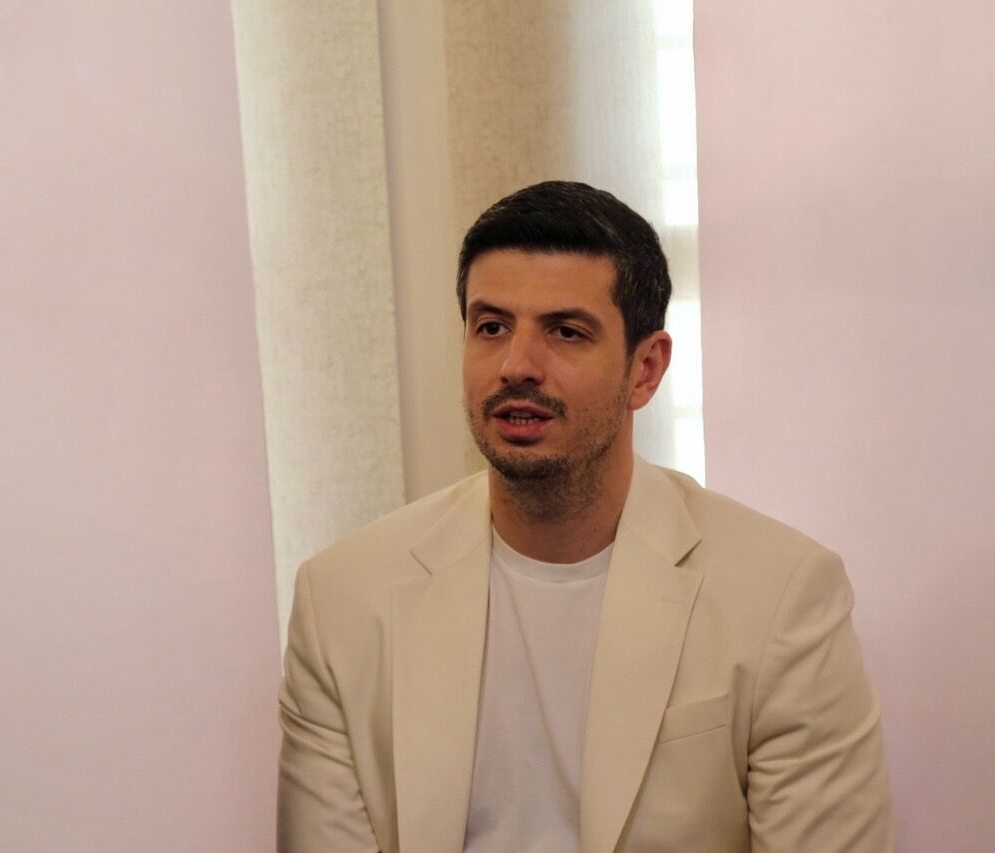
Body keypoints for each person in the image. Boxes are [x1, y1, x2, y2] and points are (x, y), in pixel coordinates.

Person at [277, 181, 894, 852]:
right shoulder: (343, 599)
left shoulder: (779, 596)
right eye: (491, 327)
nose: (516, 366)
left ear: (645, 370)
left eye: (566, 332)